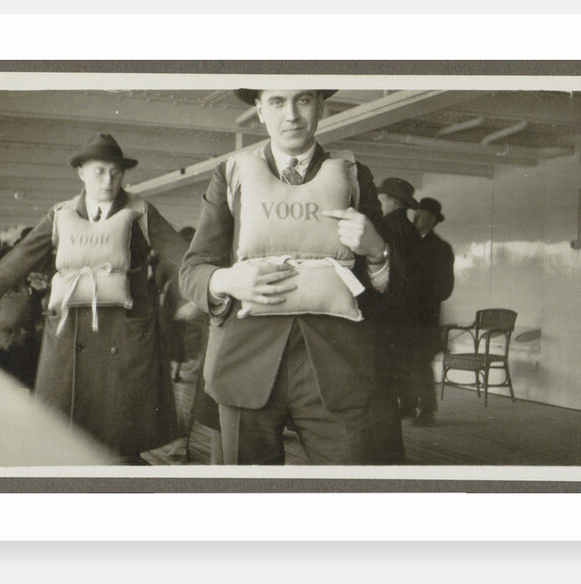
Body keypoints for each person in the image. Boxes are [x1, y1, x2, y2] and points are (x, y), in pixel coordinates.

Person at [180, 89, 403, 465]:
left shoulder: (353, 175)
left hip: (337, 368)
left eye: (302, 100)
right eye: (277, 102)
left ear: (320, 106)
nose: (292, 116)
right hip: (244, 364)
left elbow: (386, 283)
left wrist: (377, 249)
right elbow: (193, 269)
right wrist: (228, 281)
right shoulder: (231, 174)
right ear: (260, 110)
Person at [0, 132, 190, 463]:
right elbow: (15, 264)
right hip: (67, 336)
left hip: (126, 338)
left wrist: (210, 288)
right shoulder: (59, 215)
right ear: (81, 172)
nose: (108, 179)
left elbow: (181, 258)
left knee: (120, 443)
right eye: (99, 171)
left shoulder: (141, 212)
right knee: (63, 437)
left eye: (115, 172)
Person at [378, 177, 454, 427]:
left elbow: (444, 289)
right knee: (405, 360)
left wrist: (420, 294)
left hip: (424, 317)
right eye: (417, 213)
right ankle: (408, 404)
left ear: (432, 219)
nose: (417, 217)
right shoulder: (411, 239)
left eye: (422, 215)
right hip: (408, 315)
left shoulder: (440, 248)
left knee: (421, 364)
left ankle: (428, 410)